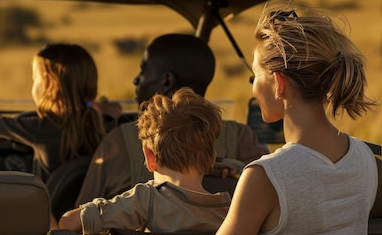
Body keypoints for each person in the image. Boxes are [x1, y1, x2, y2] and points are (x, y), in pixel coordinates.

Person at [216, 3, 380, 235]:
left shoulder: (265, 175)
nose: (252, 86)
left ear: (279, 83)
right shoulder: (364, 157)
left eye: (256, 76)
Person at [74, 33, 268, 206]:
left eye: (143, 70)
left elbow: (81, 216)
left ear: (166, 81)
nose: (136, 80)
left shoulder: (119, 142)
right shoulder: (241, 138)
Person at [58, 87, 231, 233]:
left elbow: (69, 222)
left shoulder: (147, 200)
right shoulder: (229, 209)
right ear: (212, 159)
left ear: (149, 157)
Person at [0, 43, 106, 181]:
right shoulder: (104, 124)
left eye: (34, 79)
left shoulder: (43, 128)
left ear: (49, 82)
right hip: (91, 213)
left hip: (49, 214)